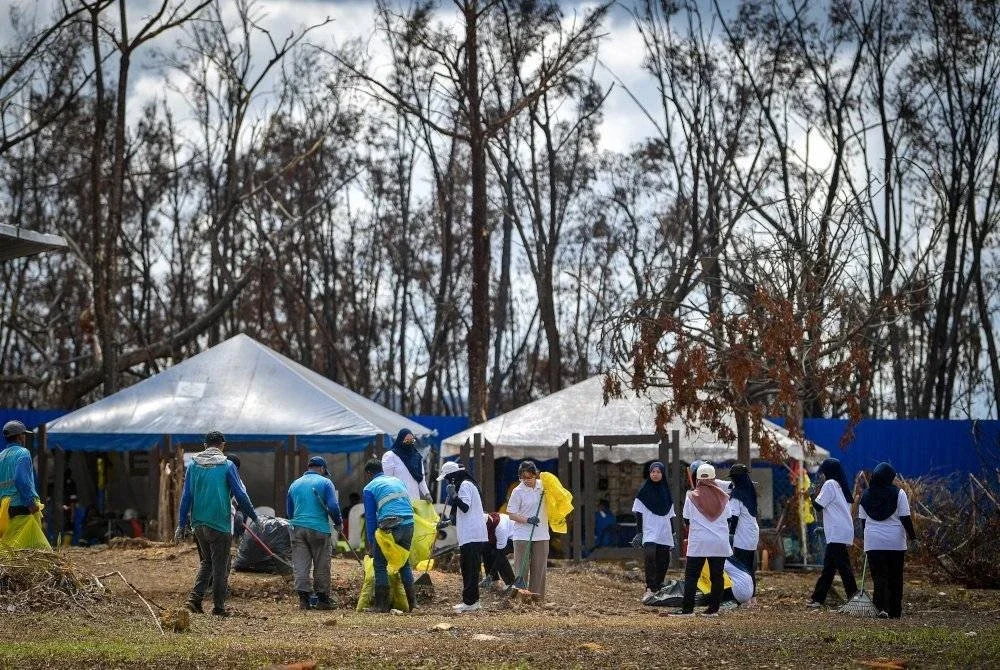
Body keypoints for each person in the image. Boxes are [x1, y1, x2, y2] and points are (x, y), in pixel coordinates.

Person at [176, 431, 258, 616]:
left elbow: (186, 497)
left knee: (207, 562)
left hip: (198, 523)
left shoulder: (193, 466)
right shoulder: (228, 466)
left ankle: (194, 600)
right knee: (220, 566)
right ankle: (219, 607)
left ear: (205, 445)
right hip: (219, 523)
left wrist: (181, 524)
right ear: (222, 445)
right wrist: (254, 516)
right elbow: (241, 495)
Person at [669, 463, 731, 617]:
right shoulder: (724, 498)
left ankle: (687, 609)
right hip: (719, 543)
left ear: (697, 478)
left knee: (691, 576)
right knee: (717, 576)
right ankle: (713, 610)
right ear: (714, 477)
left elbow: (687, 519)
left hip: (698, 542)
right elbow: (729, 517)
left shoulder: (691, 496)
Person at [859, 462, 917, 619]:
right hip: (895, 542)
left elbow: (863, 522)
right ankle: (894, 610)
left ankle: (880, 608)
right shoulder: (899, 494)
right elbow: (905, 518)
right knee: (895, 576)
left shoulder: (865, 495)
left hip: (873, 542)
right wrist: (914, 538)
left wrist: (867, 538)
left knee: (879, 577)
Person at [287, 456, 342, 611]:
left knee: (300, 564)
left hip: (298, 528)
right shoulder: (325, 482)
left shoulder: (294, 484)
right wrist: (338, 523)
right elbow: (333, 505)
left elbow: (289, 511)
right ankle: (323, 600)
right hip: (319, 529)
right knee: (321, 564)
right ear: (322, 469)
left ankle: (304, 601)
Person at [362, 457, 417, 612]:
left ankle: (381, 605)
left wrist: (372, 542)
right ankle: (413, 604)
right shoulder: (398, 481)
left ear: (368, 473)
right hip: (409, 524)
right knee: (403, 562)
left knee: (379, 564)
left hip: (389, 526)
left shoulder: (369, 487)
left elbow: (371, 518)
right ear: (382, 469)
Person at [437, 461, 487, 613]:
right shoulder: (465, 484)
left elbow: (464, 507)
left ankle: (470, 603)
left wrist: (453, 496)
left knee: (470, 569)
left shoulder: (465, 485)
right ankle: (472, 601)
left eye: (447, 478)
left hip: (472, 534)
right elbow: (460, 514)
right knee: (467, 568)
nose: (447, 481)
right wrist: (447, 522)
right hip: (469, 535)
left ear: (453, 476)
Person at [807, 457, 858, 608]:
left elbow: (818, 506)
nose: (821, 475)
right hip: (841, 530)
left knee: (843, 567)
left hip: (836, 532)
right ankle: (818, 599)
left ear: (828, 472)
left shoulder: (829, 484)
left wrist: (811, 495)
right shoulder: (841, 485)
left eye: (823, 472)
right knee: (829, 569)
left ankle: (854, 597)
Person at [0, 420, 50, 550]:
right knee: (34, 547)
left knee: (10, 546)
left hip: (5, 509)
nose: (24, 437)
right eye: (23, 434)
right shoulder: (23, 453)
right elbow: (20, 479)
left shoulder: (1, 456)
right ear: (19, 436)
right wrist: (30, 503)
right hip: (22, 506)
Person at [631, 461, 675, 603]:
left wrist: (673, 533)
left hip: (664, 530)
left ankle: (659, 585)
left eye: (658, 472)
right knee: (650, 555)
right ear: (649, 474)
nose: (655, 474)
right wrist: (639, 532)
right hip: (649, 529)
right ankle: (650, 587)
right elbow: (639, 512)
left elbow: (671, 515)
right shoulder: (644, 491)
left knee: (664, 558)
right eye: (653, 472)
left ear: (662, 474)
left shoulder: (666, 492)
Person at [505, 460, 549, 597]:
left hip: (541, 534)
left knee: (539, 569)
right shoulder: (517, 491)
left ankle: (536, 597)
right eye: (523, 478)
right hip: (522, 535)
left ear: (535, 475)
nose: (526, 481)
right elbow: (511, 514)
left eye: (529, 477)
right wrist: (528, 520)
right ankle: (521, 597)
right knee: (521, 569)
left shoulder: (544, 487)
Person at [727, 463, 760, 596]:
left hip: (742, 534)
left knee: (742, 566)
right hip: (752, 532)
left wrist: (730, 534)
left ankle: (748, 595)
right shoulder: (749, 490)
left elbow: (733, 517)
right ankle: (753, 596)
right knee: (750, 564)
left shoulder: (737, 494)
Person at [381, 429, 432, 503]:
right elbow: (388, 480)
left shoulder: (417, 457)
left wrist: (427, 494)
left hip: (414, 500)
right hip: (398, 500)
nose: (409, 443)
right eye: (407, 441)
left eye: (412, 441)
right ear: (400, 440)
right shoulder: (390, 456)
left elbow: (421, 479)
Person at [481, 512, 516, 588]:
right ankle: (494, 580)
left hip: (514, 538)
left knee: (496, 554)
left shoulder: (501, 528)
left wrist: (491, 573)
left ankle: (510, 582)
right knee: (485, 548)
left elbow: (500, 553)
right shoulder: (487, 519)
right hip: (498, 537)